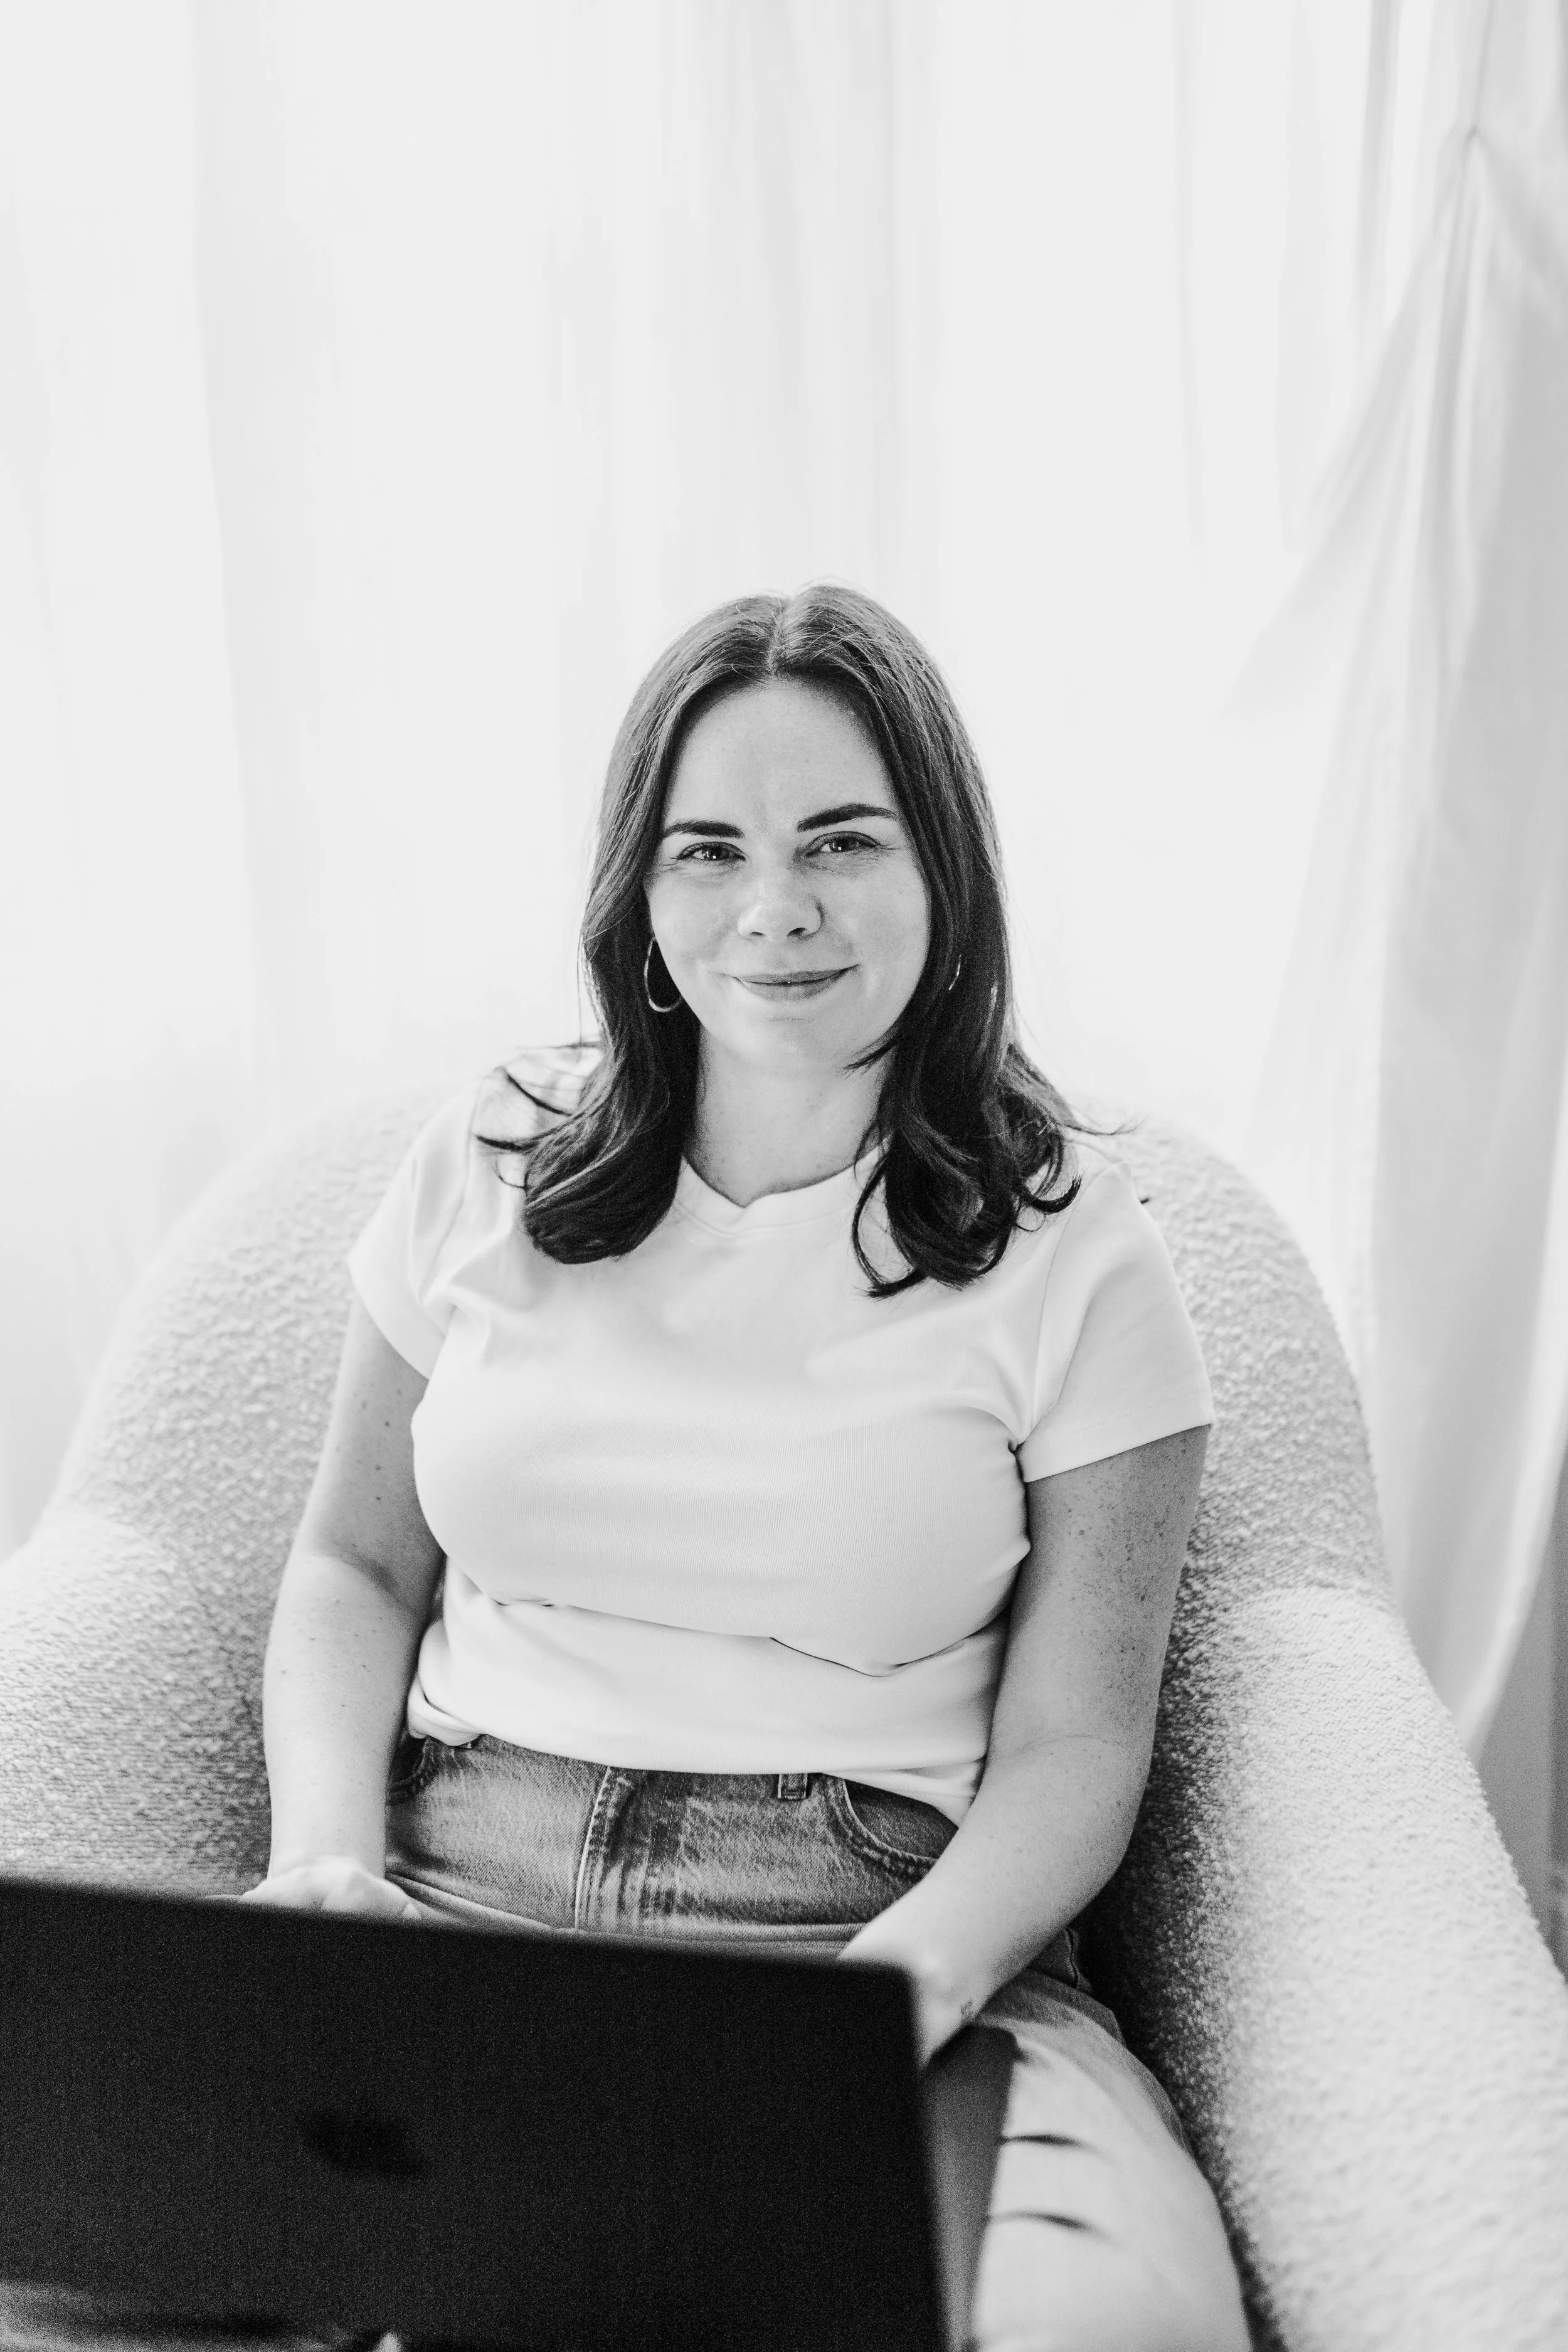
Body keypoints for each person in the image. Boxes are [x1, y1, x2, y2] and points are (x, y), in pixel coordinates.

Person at [246, 585, 1252, 2351]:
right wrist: (324, 1870)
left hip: (871, 1924)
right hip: (464, 1898)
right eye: (706, 849)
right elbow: (352, 1566)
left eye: (840, 841)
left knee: (1105, 2328)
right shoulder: (485, 1159)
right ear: (637, 893)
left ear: (942, 874)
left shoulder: (1081, 1251)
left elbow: (1082, 1741)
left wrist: (878, 2010)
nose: (772, 909)